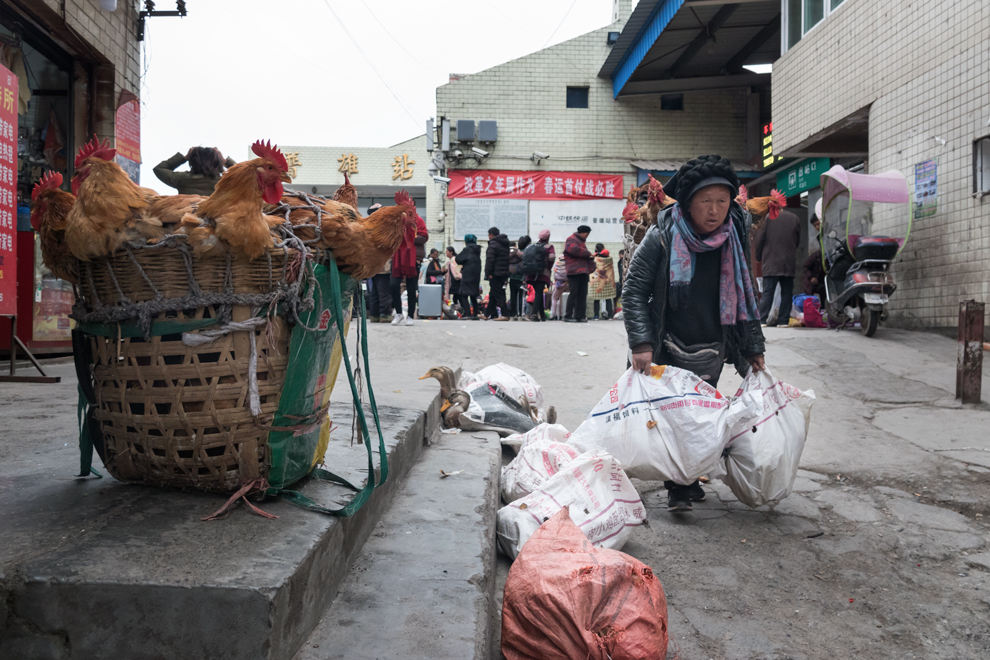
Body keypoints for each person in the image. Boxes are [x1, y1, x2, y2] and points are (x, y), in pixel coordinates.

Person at [623, 154, 766, 514]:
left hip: (713, 344)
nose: (715, 210)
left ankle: (685, 479)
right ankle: (679, 486)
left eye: (722, 201)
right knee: (675, 417)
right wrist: (641, 343)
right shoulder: (663, 234)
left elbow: (745, 292)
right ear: (688, 204)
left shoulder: (733, 237)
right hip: (668, 341)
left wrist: (752, 347)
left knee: (701, 417)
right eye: (706, 201)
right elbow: (635, 290)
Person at [755, 202, 801, 327]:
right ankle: (783, 321)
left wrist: (758, 256)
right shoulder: (794, 218)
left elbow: (760, 239)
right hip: (788, 261)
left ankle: (762, 319)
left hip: (771, 261)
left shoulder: (768, 218)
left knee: (768, 291)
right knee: (787, 292)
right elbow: (797, 241)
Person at [390, 210, 428, 326]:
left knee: (412, 288)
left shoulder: (419, 221)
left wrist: (408, 237)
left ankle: (410, 315)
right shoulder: (397, 222)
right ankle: (399, 313)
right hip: (398, 257)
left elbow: (424, 237)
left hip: (414, 257)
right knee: (393, 285)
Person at [153, 147, 235, 195]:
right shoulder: (224, 182)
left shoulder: (182, 178)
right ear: (217, 162)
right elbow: (245, 175)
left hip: (187, 217)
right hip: (217, 218)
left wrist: (184, 158)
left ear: (192, 161)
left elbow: (159, 169)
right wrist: (225, 161)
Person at [563, 225, 594, 323]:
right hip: (574, 272)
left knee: (582, 294)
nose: (587, 236)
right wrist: (588, 253)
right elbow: (574, 250)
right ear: (583, 232)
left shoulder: (581, 242)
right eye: (587, 234)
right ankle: (568, 315)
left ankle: (580, 315)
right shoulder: (571, 239)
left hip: (583, 271)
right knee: (574, 293)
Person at [524, 229, 555, 322]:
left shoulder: (532, 246)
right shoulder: (549, 247)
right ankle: (534, 314)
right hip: (542, 273)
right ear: (548, 237)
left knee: (538, 292)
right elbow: (551, 257)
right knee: (538, 292)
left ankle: (542, 315)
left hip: (531, 273)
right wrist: (548, 267)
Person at [484, 226, 511, 321]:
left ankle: (505, 314)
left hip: (495, 273)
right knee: (493, 294)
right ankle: (486, 315)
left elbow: (490, 259)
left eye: (488, 235)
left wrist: (489, 272)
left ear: (491, 235)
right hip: (503, 272)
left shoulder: (493, 244)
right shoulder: (504, 244)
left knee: (499, 294)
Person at [455, 235, 483, 319]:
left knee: (462, 294)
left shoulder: (467, 249)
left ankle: (468, 314)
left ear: (466, 241)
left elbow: (458, 259)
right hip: (475, 276)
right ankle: (475, 314)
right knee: (473, 295)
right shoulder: (477, 250)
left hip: (468, 276)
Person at [590, 244, 616, 320]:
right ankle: (610, 316)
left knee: (596, 299)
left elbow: (593, 270)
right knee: (608, 298)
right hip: (607, 281)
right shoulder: (609, 259)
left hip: (598, 281)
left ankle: (596, 316)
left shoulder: (595, 259)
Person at [508, 236, 530, 319]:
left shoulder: (511, 253)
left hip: (512, 277)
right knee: (521, 297)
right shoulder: (523, 253)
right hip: (520, 278)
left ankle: (513, 314)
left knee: (513, 296)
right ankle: (520, 314)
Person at [550, 254, 568, 320]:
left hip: (559, 283)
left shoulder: (556, 264)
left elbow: (555, 274)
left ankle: (554, 315)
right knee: (564, 299)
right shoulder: (568, 264)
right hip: (568, 283)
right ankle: (565, 314)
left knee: (554, 297)